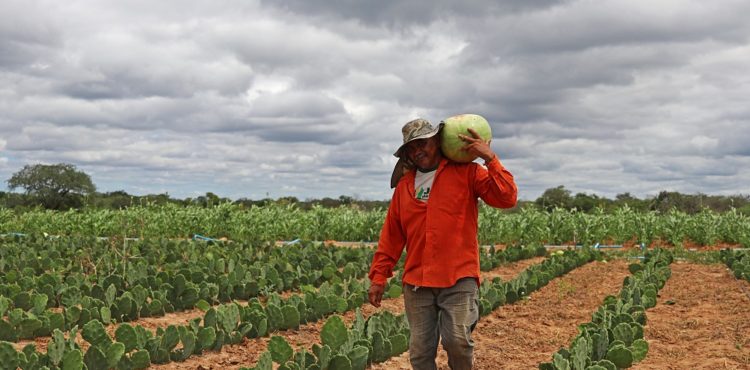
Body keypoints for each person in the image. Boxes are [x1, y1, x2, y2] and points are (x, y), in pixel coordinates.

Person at [368, 118, 517, 370]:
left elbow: (507, 197)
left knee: (457, 341)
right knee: (420, 352)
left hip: (458, 278)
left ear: (437, 142)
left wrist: (489, 158)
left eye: (423, 143)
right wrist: (378, 277)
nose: (418, 151)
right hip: (417, 283)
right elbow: (392, 235)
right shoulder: (404, 186)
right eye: (411, 148)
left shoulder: (468, 173)